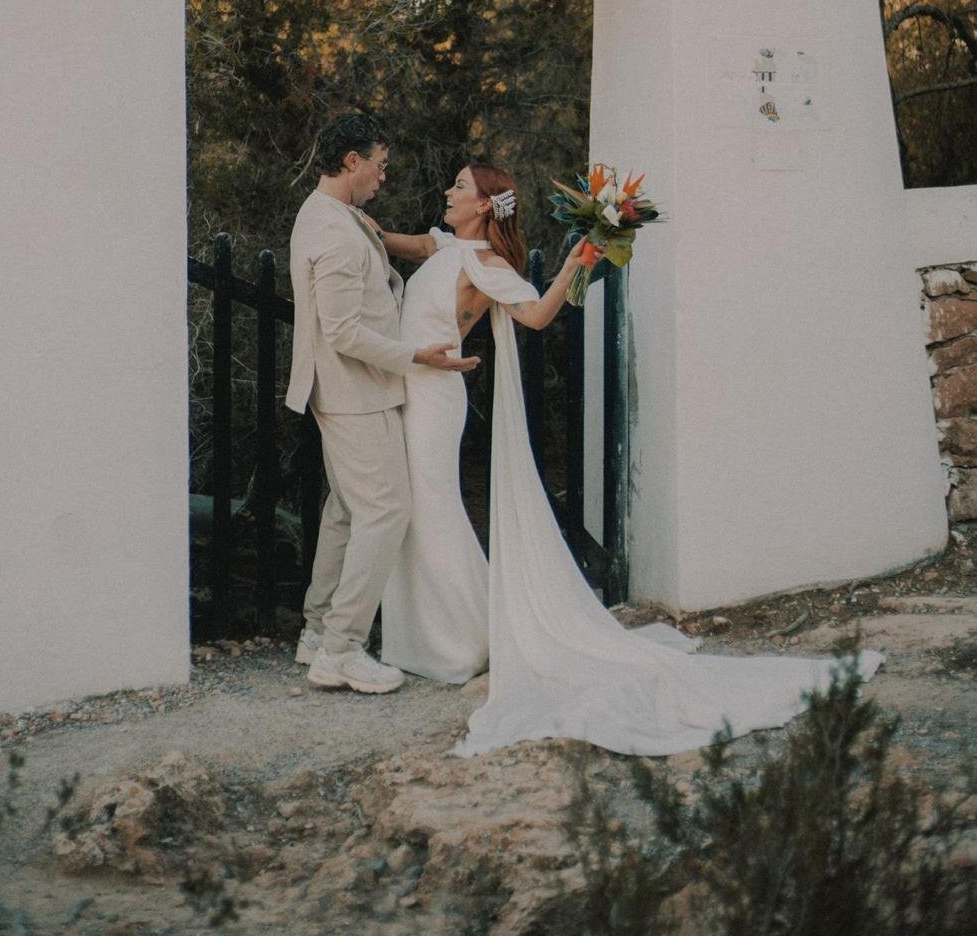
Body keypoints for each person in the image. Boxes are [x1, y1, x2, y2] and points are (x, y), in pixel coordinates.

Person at [372, 163, 884, 756]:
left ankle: (459, 641)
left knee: (432, 510)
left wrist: (570, 265)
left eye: (460, 187)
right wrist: (353, 221)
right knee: (415, 508)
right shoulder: (443, 246)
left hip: (435, 400)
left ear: (485, 205)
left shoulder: (483, 265)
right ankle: (431, 636)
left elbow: (536, 315)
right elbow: (393, 242)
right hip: (406, 389)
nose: (448, 192)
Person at [286, 111, 479, 695]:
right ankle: (341, 649)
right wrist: (418, 356)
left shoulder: (336, 217)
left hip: (348, 389)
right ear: (352, 162)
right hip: (353, 393)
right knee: (387, 509)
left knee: (346, 511)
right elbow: (343, 331)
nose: (383, 177)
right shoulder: (335, 231)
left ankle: (318, 634)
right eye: (380, 165)